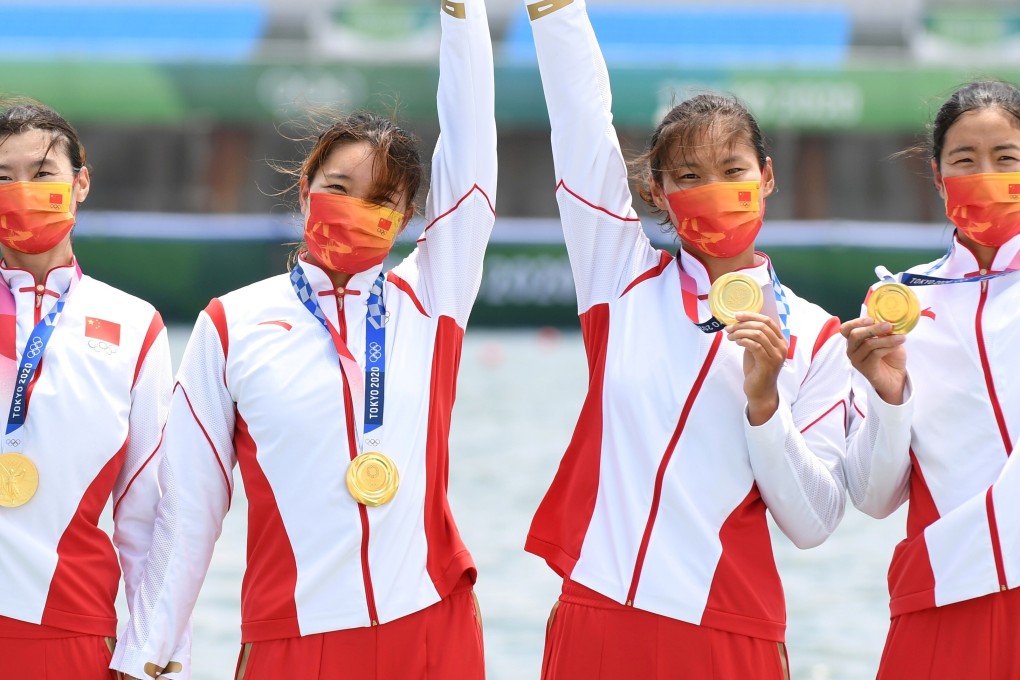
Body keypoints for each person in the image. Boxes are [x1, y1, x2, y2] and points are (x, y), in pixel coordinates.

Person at [109, 2, 496, 679]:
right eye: (339, 188)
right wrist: (151, 648)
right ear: (306, 188)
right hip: (296, 635)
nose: (354, 209)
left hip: (432, 622)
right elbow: (192, 499)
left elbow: (471, 154)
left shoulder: (432, 298)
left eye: (380, 200)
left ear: (406, 218)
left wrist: (463, 16)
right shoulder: (232, 323)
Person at [521, 1, 850, 677]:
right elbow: (581, 119)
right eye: (688, 177)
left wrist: (765, 404)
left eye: (732, 171)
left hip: (728, 629)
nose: (712, 191)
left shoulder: (818, 337)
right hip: (599, 612)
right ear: (657, 191)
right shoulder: (619, 278)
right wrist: (554, 13)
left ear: (767, 175)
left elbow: (814, 523)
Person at [843, 80, 1020, 679]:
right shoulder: (896, 303)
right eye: (964, 161)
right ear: (938, 175)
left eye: (1007, 159)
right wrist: (889, 396)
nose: (985, 175)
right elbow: (872, 496)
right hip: (944, 589)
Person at [0, 101, 176, 679]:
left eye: (42, 174)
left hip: (70, 630)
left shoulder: (133, 325)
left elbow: (147, 507)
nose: (21, 190)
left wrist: (149, 645)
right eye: (3, 178)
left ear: (81, 183)